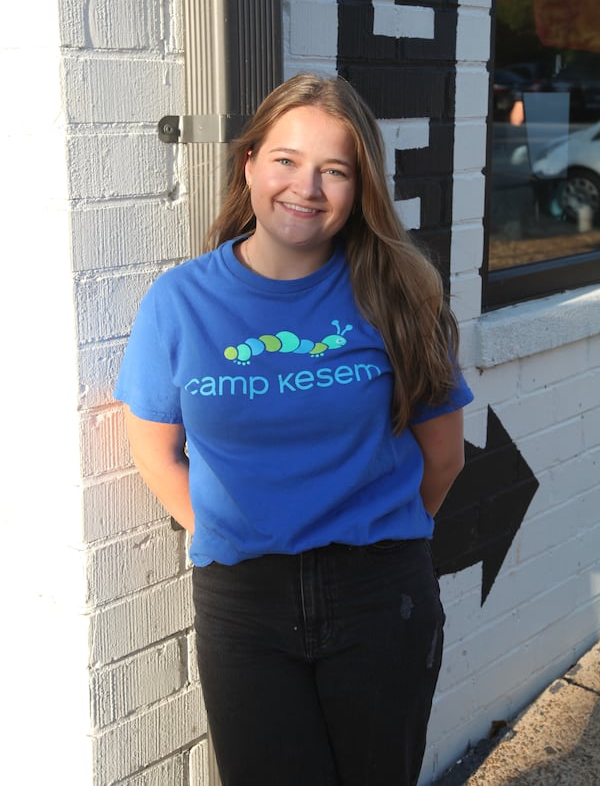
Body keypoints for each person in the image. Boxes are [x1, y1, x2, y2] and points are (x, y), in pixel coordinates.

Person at [114, 73, 474, 786]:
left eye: (334, 170)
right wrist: (226, 530)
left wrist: (382, 539)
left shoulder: (400, 294)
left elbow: (445, 459)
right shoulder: (180, 302)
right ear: (248, 163)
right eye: (286, 161)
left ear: (359, 185)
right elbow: (153, 450)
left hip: (381, 592)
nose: (305, 187)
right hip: (244, 601)